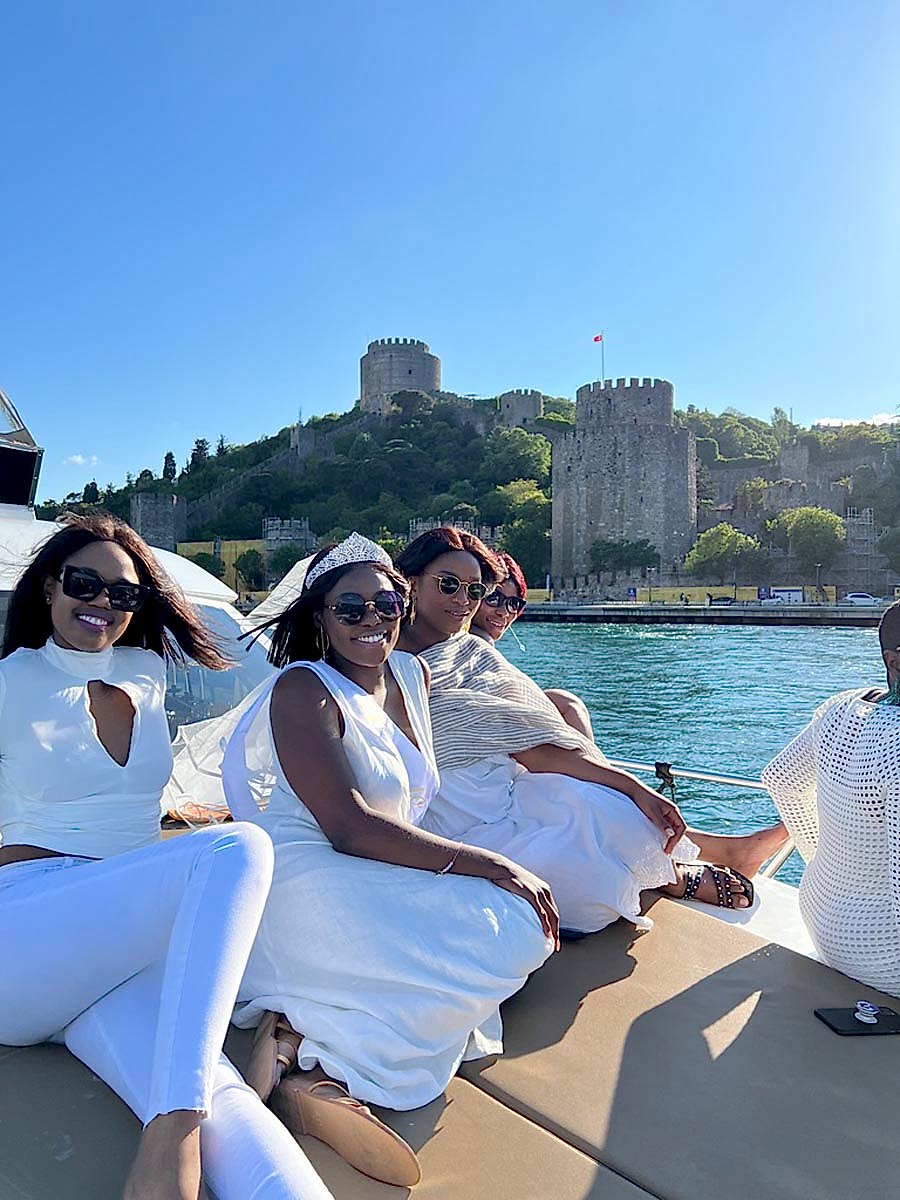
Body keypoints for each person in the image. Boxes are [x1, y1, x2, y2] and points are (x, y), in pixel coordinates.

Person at [0, 512, 331, 1200]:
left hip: (118, 946)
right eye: (84, 583)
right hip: (27, 932)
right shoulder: (8, 681)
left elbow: (136, 793)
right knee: (241, 848)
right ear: (49, 586)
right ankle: (171, 1133)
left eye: (124, 593)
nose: (103, 602)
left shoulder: (146, 671)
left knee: (223, 1099)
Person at [222, 534, 555, 1179]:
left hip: (378, 866)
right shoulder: (303, 689)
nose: (371, 618)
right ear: (321, 616)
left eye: (387, 602)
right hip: (309, 872)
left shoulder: (411, 674)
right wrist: (491, 864)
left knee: (524, 929)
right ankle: (326, 1071)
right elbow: (348, 826)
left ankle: (295, 1039)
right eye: (350, 607)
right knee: (499, 931)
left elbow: (419, 799)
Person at [396, 527, 788, 934]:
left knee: (626, 813)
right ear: (412, 582)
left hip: (510, 795)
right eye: (449, 585)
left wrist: (634, 787)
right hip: (449, 819)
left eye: (475, 591)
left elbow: (534, 749)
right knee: (593, 888)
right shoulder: (377, 660)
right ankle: (676, 873)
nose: (463, 600)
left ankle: (674, 872)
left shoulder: (473, 655)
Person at [762, 600, 900, 997]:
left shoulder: (845, 706)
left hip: (821, 918)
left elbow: (781, 780)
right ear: (895, 661)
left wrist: (825, 861)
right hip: (883, 954)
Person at [470, 550, 595, 739]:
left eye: (514, 604)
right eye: (494, 599)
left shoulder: (478, 645)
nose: (504, 612)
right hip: (482, 726)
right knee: (569, 705)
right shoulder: (473, 643)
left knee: (567, 703)